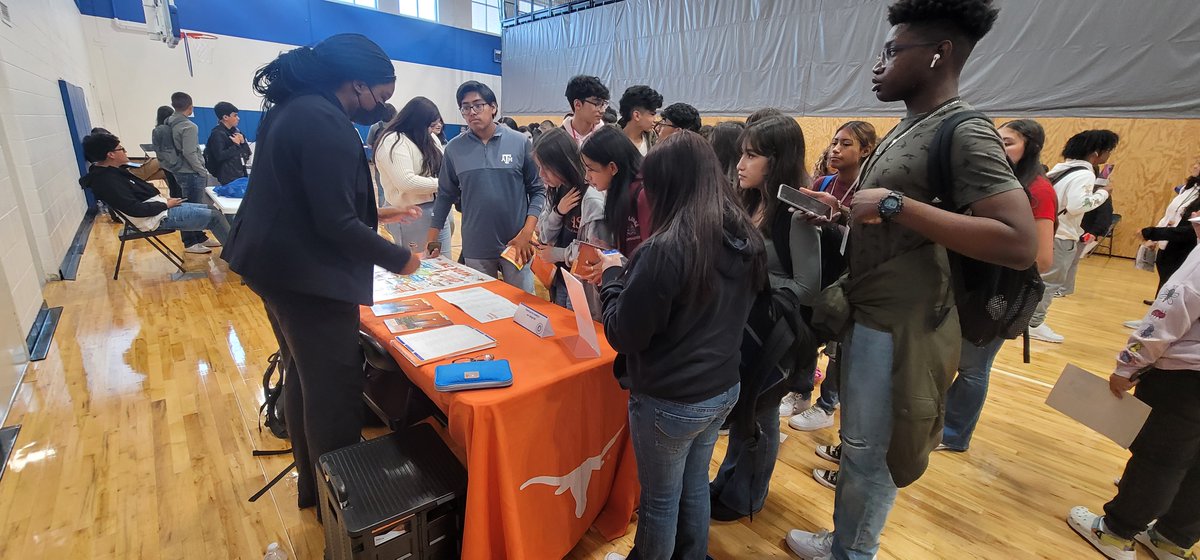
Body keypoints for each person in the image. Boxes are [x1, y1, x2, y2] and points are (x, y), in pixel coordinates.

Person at [785, 1, 1038, 558]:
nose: (878, 65)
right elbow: (900, 224)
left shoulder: (964, 129)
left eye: (893, 51)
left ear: (939, 54)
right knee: (858, 443)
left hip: (904, 324)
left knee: (873, 451)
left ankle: (853, 551)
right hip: (873, 309)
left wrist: (896, 205)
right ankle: (845, 540)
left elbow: (1019, 242)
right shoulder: (910, 126)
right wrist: (843, 215)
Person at [220, 33, 421, 514]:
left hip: (276, 270)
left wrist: (377, 214)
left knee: (301, 376)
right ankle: (343, 511)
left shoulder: (293, 108)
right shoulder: (323, 121)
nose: (380, 109)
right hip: (306, 280)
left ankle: (312, 490)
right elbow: (333, 224)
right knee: (334, 393)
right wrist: (402, 260)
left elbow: (305, 197)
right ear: (356, 84)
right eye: (380, 97)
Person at [599, 131, 766, 560]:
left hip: (671, 397)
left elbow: (623, 334)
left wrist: (613, 278)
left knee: (659, 502)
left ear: (664, 187)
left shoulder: (665, 250)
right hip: (722, 386)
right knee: (693, 485)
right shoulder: (745, 237)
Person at [710, 115, 821, 521]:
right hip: (746, 327)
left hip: (776, 335)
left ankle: (747, 496)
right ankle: (728, 481)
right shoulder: (750, 201)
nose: (740, 164)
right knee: (745, 412)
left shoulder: (794, 213)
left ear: (776, 160)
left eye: (751, 155)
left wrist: (751, 276)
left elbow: (808, 286)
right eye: (741, 153)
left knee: (761, 416)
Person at [1067, 220, 1200, 560]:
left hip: (1184, 379)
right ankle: (1172, 540)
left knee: (1160, 458)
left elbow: (1167, 314)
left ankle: (1115, 534)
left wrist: (1128, 365)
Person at [782, 121, 877, 424]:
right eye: (835, 142)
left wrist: (841, 216)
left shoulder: (869, 191)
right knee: (807, 334)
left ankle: (826, 405)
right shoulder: (823, 183)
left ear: (866, 150)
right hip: (820, 271)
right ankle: (800, 391)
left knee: (837, 347)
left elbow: (870, 237)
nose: (836, 149)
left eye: (846, 144)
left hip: (849, 277)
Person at [427, 80, 547, 294]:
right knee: (482, 305)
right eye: (465, 107)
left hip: (516, 244)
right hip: (476, 246)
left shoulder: (520, 142)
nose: (472, 112)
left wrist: (527, 233)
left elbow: (538, 190)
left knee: (522, 303)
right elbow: (445, 196)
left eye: (478, 105)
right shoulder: (454, 149)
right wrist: (432, 237)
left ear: (493, 107)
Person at [1027, 129, 1120, 343]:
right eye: (1108, 150)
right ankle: (1034, 323)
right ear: (1096, 152)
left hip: (1043, 231)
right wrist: (1103, 193)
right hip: (1061, 234)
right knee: (1050, 281)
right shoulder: (1084, 174)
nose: (1108, 155)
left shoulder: (1060, 170)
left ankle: (1026, 318)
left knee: (1036, 279)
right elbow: (1078, 205)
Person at [79, 132, 229, 242]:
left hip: (157, 209)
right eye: (121, 149)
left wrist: (163, 202)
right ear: (110, 155)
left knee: (212, 209)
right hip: (154, 218)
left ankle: (235, 250)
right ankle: (238, 258)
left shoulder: (111, 173)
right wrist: (165, 204)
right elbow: (135, 209)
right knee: (215, 217)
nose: (125, 151)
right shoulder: (107, 180)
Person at [534, 128, 609, 317]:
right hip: (560, 277)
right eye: (539, 167)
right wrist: (558, 212)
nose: (541, 174)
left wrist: (558, 254)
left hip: (584, 285)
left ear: (562, 163)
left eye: (545, 168)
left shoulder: (592, 196)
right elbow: (544, 234)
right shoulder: (555, 189)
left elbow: (595, 252)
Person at [374, 96, 453, 254]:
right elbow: (406, 182)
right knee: (418, 264)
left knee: (443, 262)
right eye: (430, 125)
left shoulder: (431, 138)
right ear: (417, 122)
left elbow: (444, 168)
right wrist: (444, 184)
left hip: (439, 209)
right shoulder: (393, 141)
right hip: (411, 212)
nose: (433, 129)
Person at [580, 125, 651, 256]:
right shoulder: (618, 191)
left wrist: (618, 261)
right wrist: (611, 252)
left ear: (612, 168)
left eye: (590, 169)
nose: (587, 177)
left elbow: (651, 255)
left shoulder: (643, 195)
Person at [163, 92, 217, 254]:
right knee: (191, 208)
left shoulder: (168, 122)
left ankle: (199, 236)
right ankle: (190, 241)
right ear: (190, 107)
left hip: (177, 170)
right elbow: (189, 152)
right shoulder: (189, 126)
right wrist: (201, 170)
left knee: (192, 205)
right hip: (190, 172)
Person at [204, 101, 252, 186]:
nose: (238, 118)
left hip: (241, 172)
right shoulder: (217, 133)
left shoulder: (236, 132)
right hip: (228, 177)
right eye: (235, 115)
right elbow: (220, 156)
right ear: (225, 117)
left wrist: (243, 143)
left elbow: (247, 153)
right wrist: (236, 146)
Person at [562, 75, 610, 144]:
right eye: (597, 103)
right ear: (577, 104)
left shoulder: (606, 137)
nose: (603, 110)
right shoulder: (559, 139)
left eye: (603, 104)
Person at [618, 85, 663, 155]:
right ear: (637, 115)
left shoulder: (651, 138)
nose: (655, 119)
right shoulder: (612, 141)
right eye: (652, 114)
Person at [150, 105, 184, 200]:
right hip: (178, 161)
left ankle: (174, 202)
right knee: (180, 187)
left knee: (172, 186)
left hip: (165, 162)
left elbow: (156, 147)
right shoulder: (174, 128)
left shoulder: (156, 130)